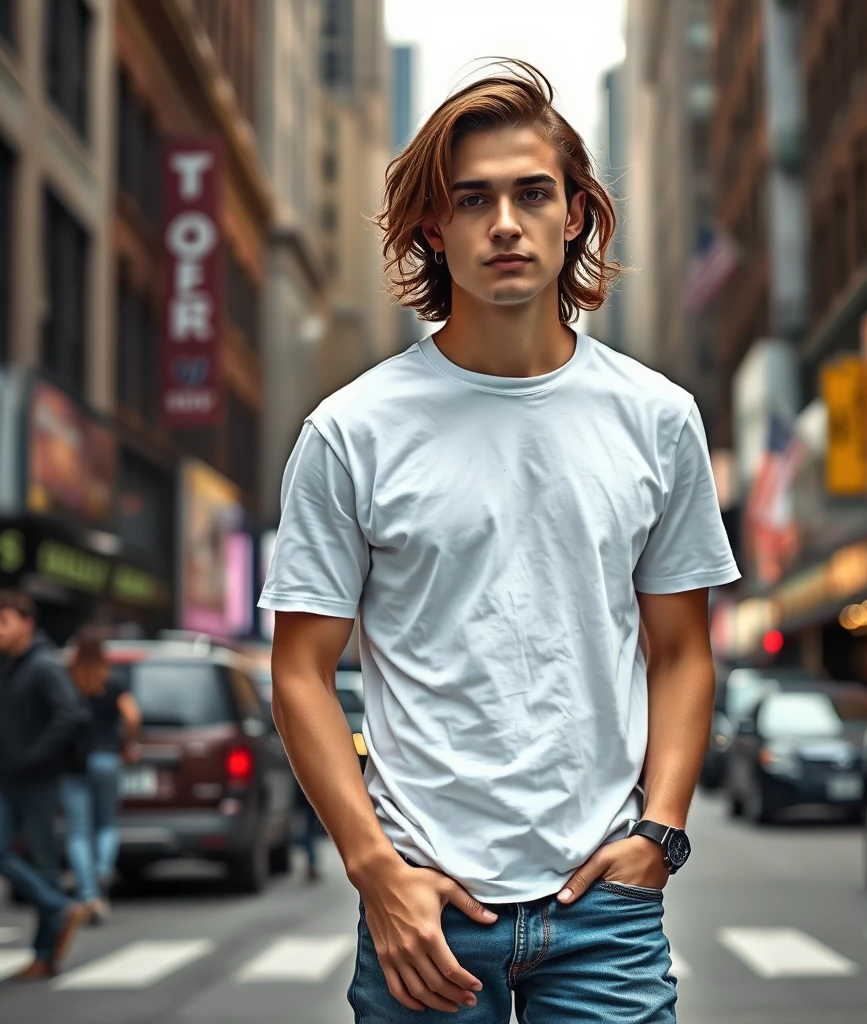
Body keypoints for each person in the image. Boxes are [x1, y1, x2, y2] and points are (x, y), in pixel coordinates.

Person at [261, 61, 739, 1022]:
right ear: (435, 228)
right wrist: (374, 870)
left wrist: (664, 831)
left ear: (576, 214)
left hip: (604, 909)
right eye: (472, 200)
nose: (506, 224)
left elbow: (683, 650)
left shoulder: (659, 419)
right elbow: (301, 671)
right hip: (423, 907)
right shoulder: (352, 431)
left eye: (532, 193)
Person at [0, 590, 92, 980]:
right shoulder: (9, 665)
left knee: (44, 864)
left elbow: (70, 714)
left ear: (27, 623)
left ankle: (44, 956)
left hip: (36, 781)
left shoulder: (43, 665)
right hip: (8, 779)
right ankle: (58, 907)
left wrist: (35, 754)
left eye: (3, 621)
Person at [60, 625, 141, 923]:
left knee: (78, 829)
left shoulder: (67, 681)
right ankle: (103, 873)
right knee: (106, 824)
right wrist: (129, 744)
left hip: (74, 762)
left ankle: (87, 893)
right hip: (108, 757)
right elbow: (133, 716)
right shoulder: (112, 681)